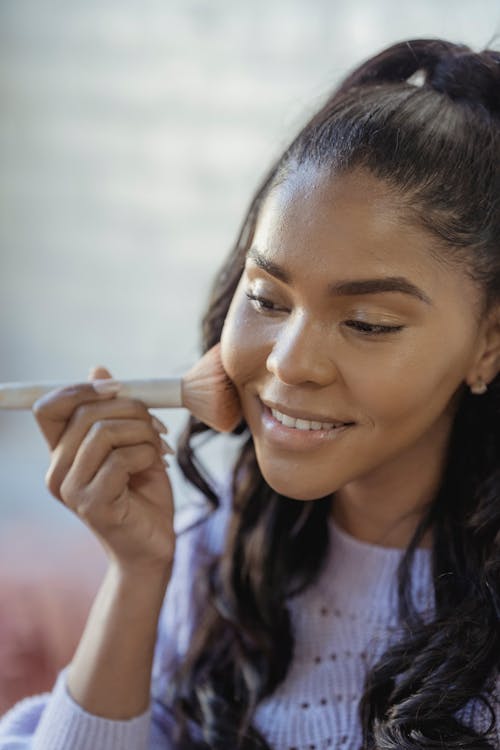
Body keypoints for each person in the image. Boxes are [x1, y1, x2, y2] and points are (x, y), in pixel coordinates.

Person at [1, 35, 500, 750]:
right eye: (267, 298)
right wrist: (137, 574)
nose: (291, 363)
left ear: (489, 342)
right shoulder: (221, 554)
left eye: (367, 322)